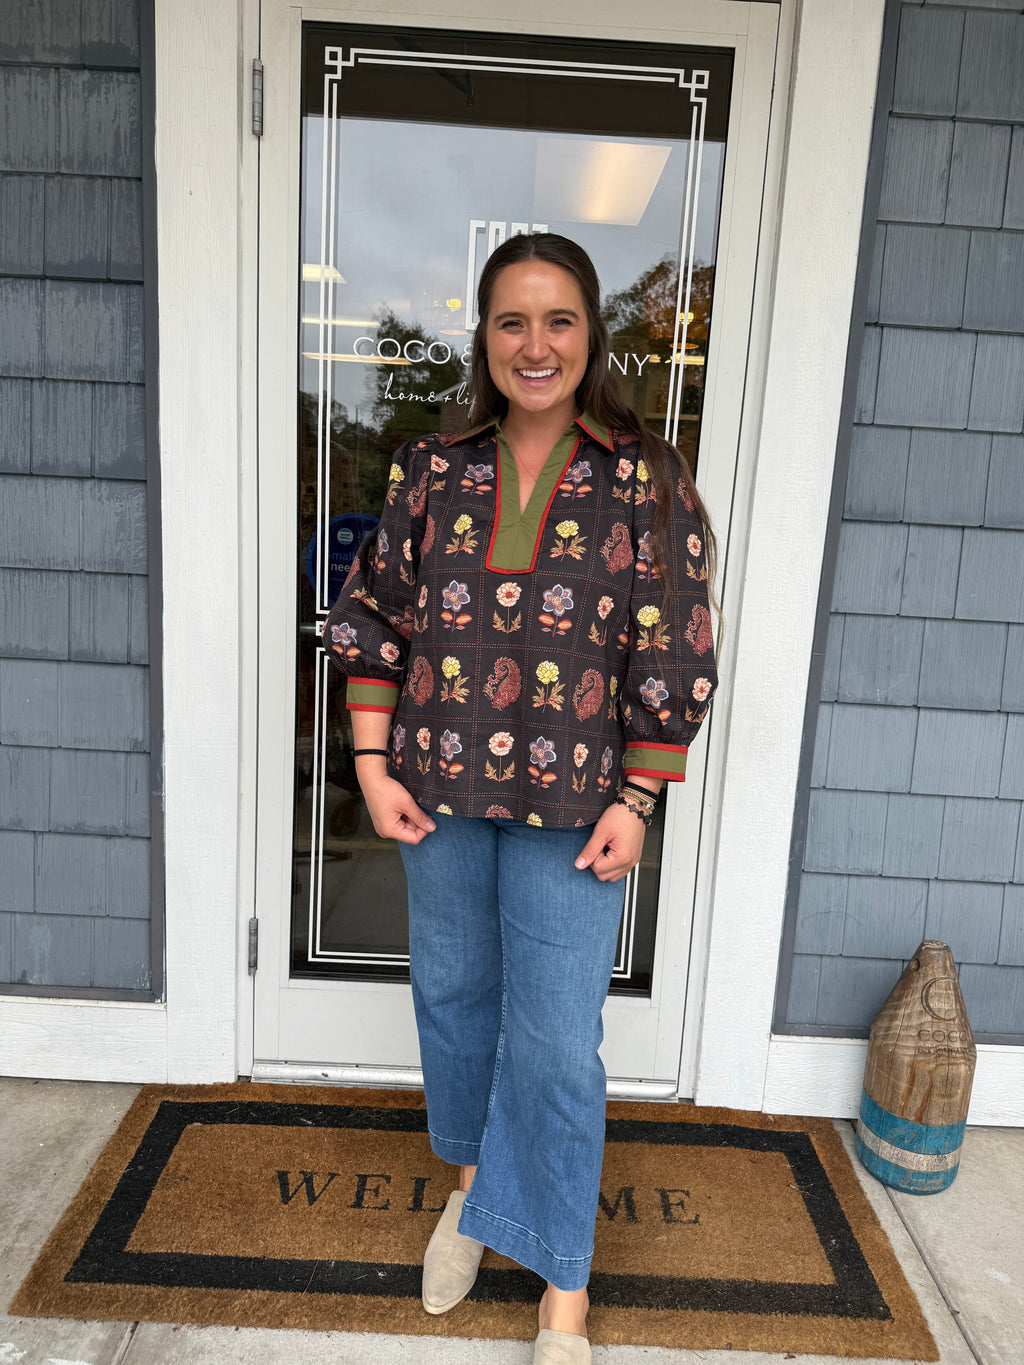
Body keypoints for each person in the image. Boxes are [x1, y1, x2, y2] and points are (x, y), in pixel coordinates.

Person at [324, 232, 719, 1363]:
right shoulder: (429, 470)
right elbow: (375, 618)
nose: (534, 344)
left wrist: (639, 798)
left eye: (558, 321)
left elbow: (675, 650)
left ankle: (563, 1294)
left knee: (552, 1043)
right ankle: (470, 1187)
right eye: (511, 321)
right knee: (452, 1001)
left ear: (590, 336)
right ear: (483, 337)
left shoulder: (645, 478)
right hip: (435, 792)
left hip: (576, 804)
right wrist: (370, 762)